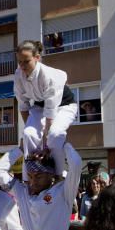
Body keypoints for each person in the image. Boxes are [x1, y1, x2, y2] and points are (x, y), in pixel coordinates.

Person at [13, 40, 78, 176]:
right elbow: (23, 106)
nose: (22, 66)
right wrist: (31, 133)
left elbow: (50, 114)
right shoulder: (19, 75)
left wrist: (45, 146)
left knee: (54, 135)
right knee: (28, 134)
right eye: (20, 62)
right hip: (39, 107)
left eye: (26, 61)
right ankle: (30, 176)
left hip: (64, 106)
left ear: (37, 58)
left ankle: (58, 175)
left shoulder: (49, 76)